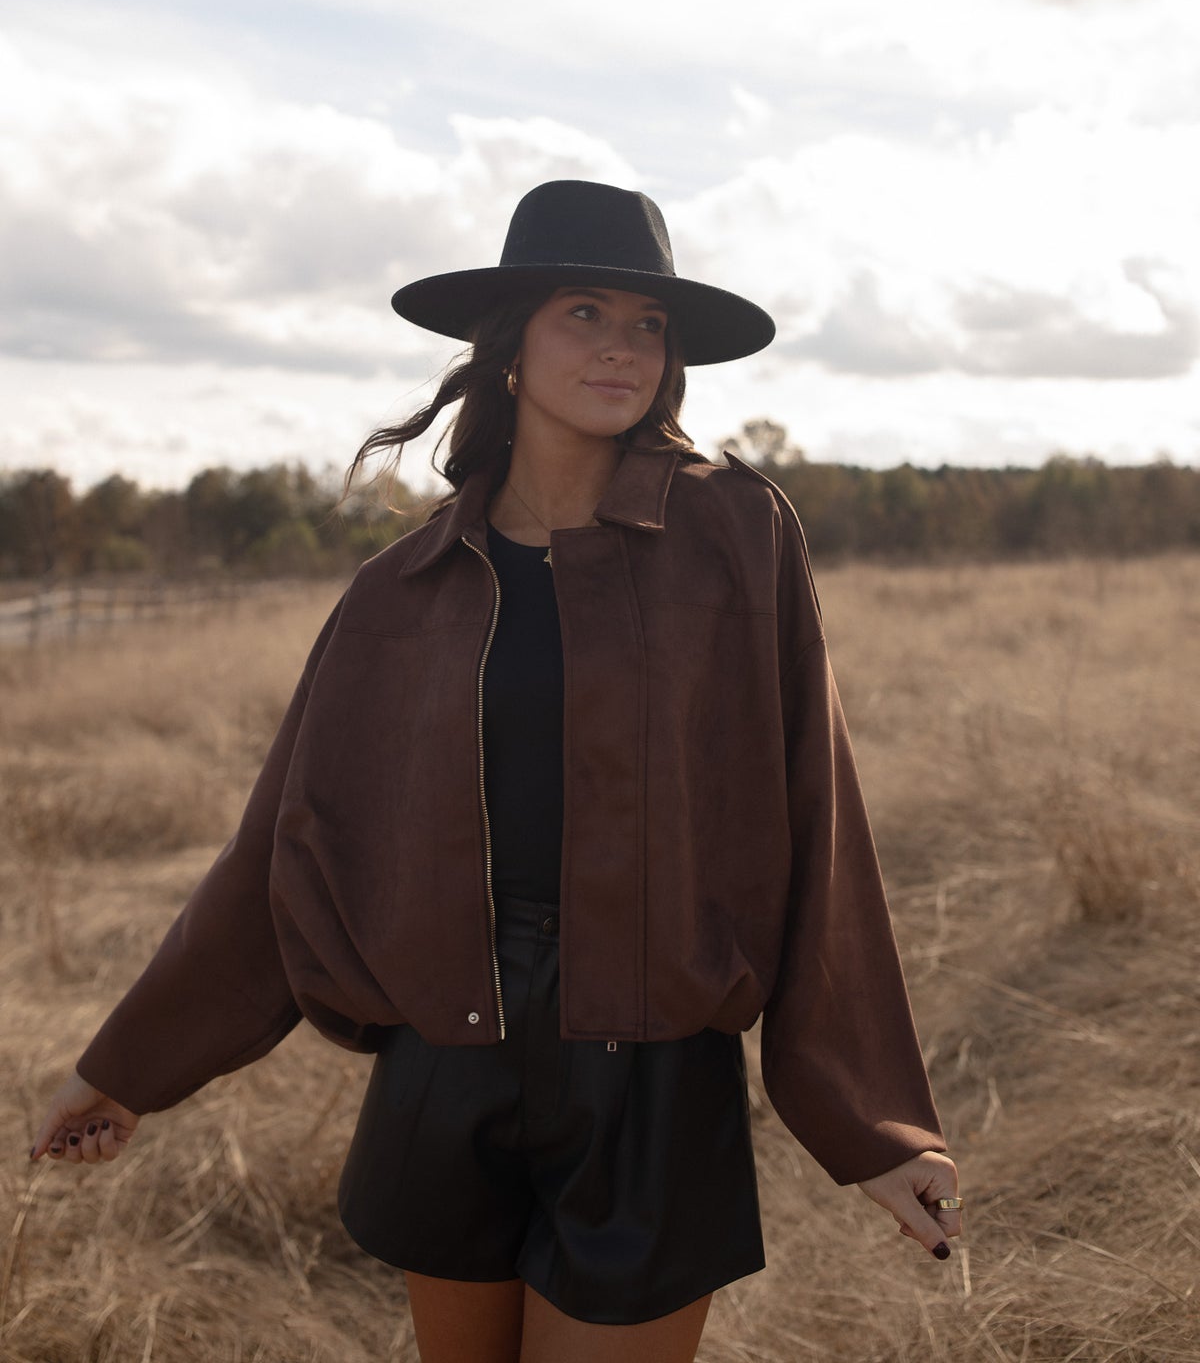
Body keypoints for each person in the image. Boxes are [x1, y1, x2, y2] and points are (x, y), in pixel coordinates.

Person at [29, 180, 962, 1362]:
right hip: (447, 1070)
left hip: (653, 1083)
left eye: (647, 325)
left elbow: (819, 815)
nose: (622, 347)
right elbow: (283, 855)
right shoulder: (396, 594)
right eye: (585, 312)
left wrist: (873, 1125)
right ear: (509, 344)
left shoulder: (735, 536)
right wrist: (122, 1075)